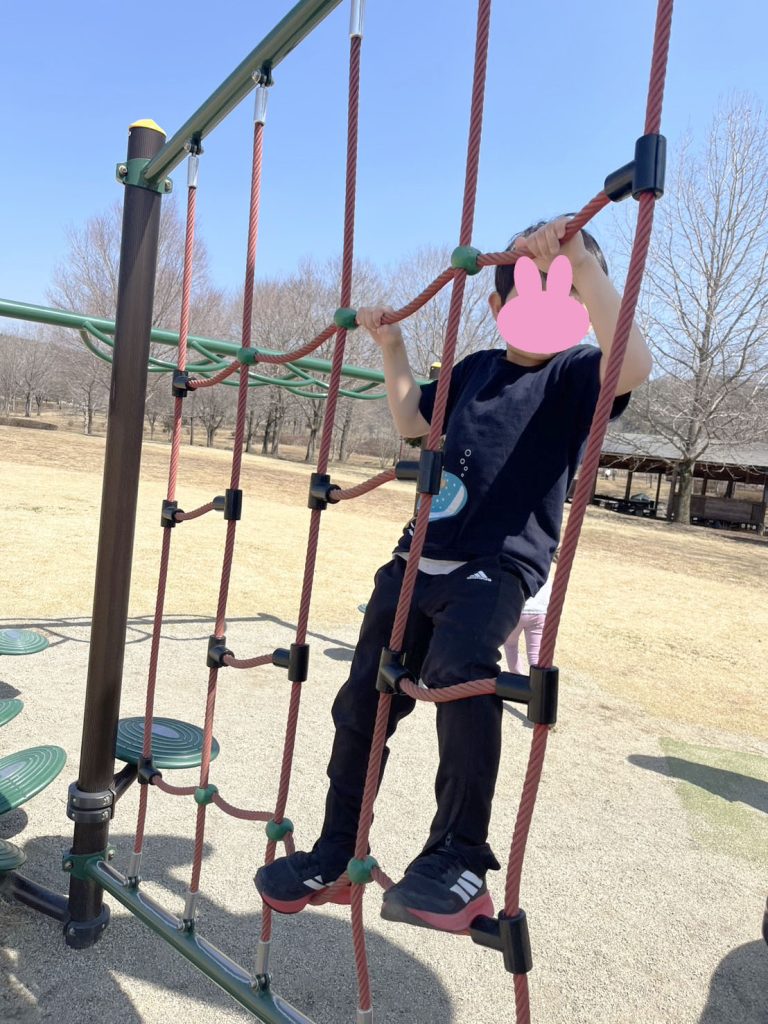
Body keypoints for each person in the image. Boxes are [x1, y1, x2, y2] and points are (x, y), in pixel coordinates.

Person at [255, 215, 652, 933]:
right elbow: (412, 421)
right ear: (498, 307)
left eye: (567, 293)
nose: (552, 305)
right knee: (363, 702)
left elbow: (631, 365)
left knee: (460, 674)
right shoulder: (474, 369)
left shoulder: (573, 376)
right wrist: (393, 346)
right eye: (534, 291)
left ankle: (458, 858)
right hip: (415, 562)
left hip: (495, 566)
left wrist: (584, 265)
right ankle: (338, 849)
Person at [503, 548, 558, 675]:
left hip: (518, 612)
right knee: (536, 654)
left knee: (510, 645)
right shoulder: (545, 565)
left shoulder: (518, 562)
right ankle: (538, 680)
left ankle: (518, 677)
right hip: (540, 612)